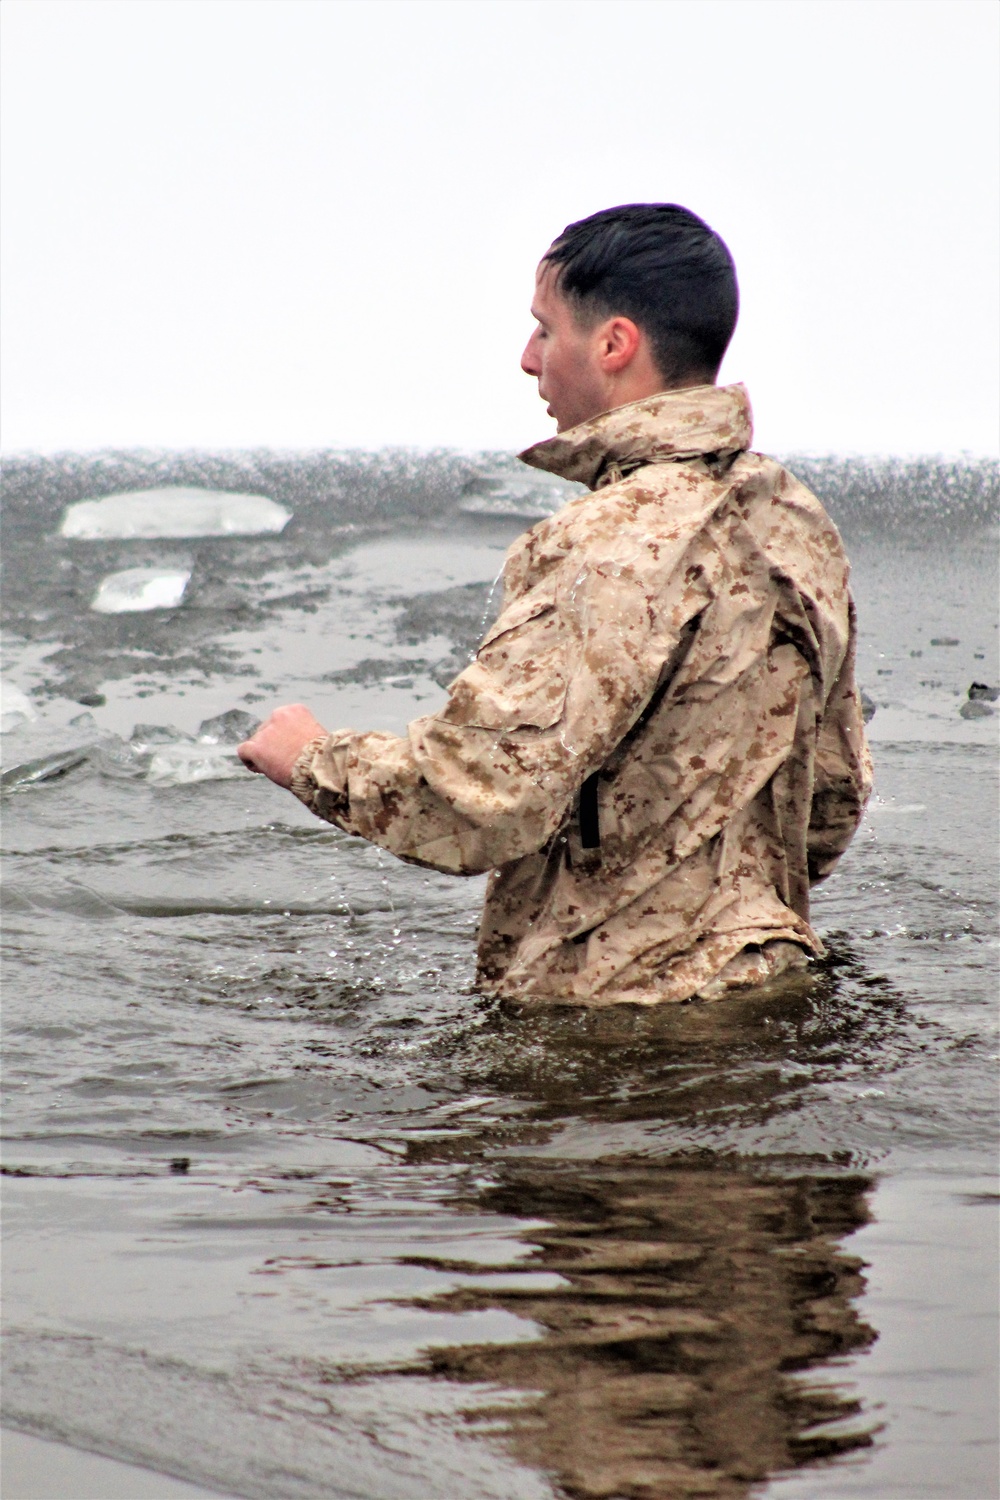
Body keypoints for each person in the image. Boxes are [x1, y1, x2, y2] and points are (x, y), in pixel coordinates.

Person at [238, 203, 872, 1006]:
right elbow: (834, 794)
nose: (528, 359)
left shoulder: (608, 539)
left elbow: (485, 795)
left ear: (613, 344)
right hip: (769, 984)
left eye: (544, 330)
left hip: (619, 1025)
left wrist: (313, 762)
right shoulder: (793, 518)